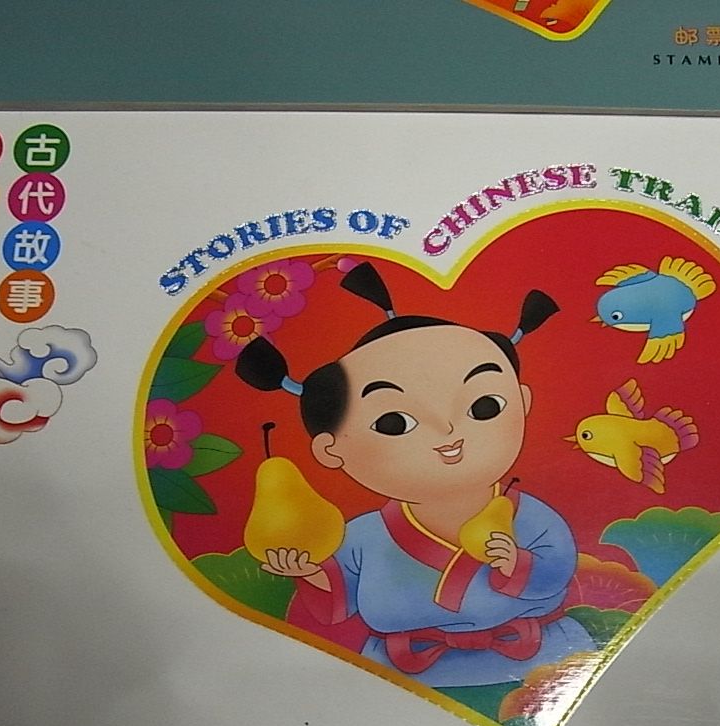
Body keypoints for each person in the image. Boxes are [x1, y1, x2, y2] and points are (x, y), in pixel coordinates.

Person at [236, 262, 595, 703]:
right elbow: (341, 599)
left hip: (545, 664)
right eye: (394, 422)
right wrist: (309, 571)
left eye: (484, 406)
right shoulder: (364, 537)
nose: (448, 432)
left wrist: (515, 562)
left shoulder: (532, 519)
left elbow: (556, 569)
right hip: (403, 679)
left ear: (521, 402)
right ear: (331, 449)